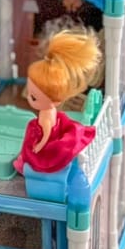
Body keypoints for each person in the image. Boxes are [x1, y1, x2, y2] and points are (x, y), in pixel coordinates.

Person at [12, 29, 102, 175]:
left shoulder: (45, 114)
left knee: (32, 155)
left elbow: (46, 133)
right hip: (48, 133)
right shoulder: (50, 110)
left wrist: (39, 146)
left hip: (46, 141)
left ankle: (30, 166)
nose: (28, 98)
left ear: (56, 101)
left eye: (34, 97)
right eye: (29, 93)